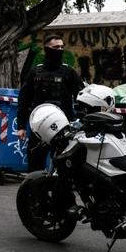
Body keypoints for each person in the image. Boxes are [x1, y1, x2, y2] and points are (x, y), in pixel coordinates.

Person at [16, 35, 85, 172]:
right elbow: (24, 99)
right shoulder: (35, 72)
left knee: (63, 168)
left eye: (61, 47)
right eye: (56, 47)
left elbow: (82, 98)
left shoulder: (69, 73)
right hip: (39, 128)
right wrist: (21, 126)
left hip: (63, 130)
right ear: (47, 49)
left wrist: (80, 122)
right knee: (35, 166)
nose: (59, 50)